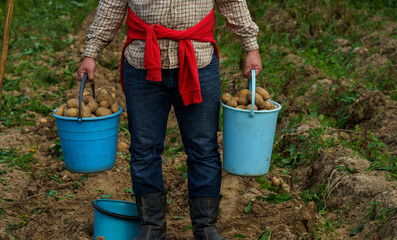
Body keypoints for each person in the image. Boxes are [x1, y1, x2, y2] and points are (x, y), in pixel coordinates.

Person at [77, 1, 262, 239]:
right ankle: (152, 228)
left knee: (203, 147)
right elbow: (112, 5)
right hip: (143, 63)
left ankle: (206, 228)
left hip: (198, 60)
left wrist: (251, 47)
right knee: (144, 148)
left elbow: (232, 2)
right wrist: (91, 53)